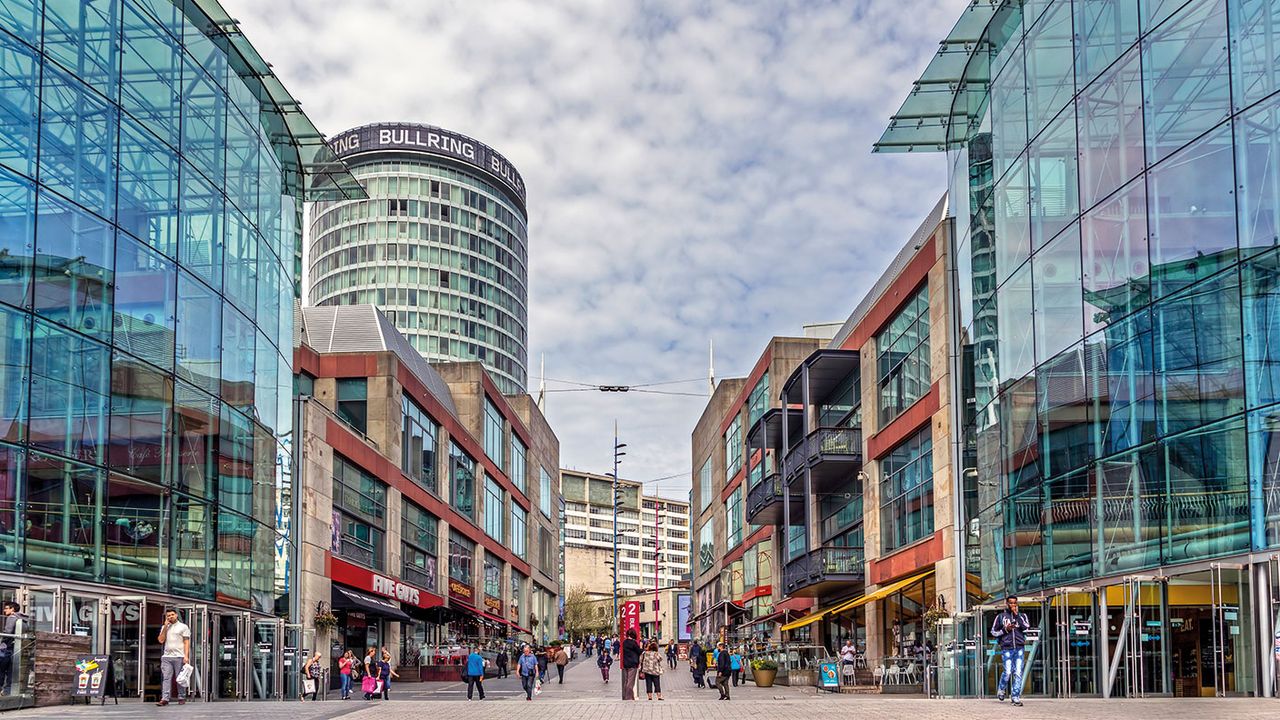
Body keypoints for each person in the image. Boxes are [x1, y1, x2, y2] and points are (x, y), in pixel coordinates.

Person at [991, 596, 1030, 707]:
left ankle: (1015, 697)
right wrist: (1005, 630)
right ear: (1007, 604)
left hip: (1019, 647)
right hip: (1007, 647)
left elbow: (1026, 627)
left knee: (1018, 672)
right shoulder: (1000, 617)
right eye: (1011, 603)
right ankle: (1001, 689)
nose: (1013, 605)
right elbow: (993, 631)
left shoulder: (1022, 616)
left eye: (1015, 603)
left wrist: (1017, 616)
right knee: (1007, 672)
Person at [155, 609, 190, 706]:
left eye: (172, 615)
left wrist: (186, 656)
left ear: (176, 615)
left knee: (180, 678)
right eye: (168, 616)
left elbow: (186, 642)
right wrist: (166, 626)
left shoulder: (183, 627)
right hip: (166, 657)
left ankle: (181, 697)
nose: (170, 617)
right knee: (166, 678)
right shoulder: (164, 627)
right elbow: (161, 640)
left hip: (179, 656)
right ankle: (165, 698)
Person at [0, 602, 24, 697]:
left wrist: (2, 641)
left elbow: (8, 632)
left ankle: (3, 689)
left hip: (6, 648)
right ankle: (7, 691)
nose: (5, 610)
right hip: (16, 647)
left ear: (12, 609)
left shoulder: (12, 618)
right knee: (10, 671)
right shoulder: (22, 618)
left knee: (1, 669)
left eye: (6, 608)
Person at [621, 630, 642, 700]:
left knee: (626, 681)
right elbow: (639, 651)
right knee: (630, 681)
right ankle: (629, 697)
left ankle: (627, 696)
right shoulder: (633, 643)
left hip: (625, 663)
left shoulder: (624, 642)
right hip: (633, 664)